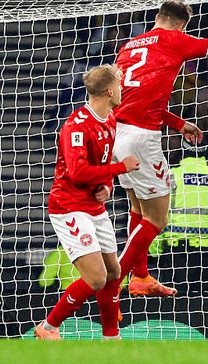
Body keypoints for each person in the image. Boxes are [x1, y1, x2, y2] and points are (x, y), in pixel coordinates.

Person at [103, 0, 208, 301]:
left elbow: (137, 96)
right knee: (158, 219)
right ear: (182, 25)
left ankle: (140, 276)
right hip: (141, 138)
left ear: (157, 17)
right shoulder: (175, 40)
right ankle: (116, 282)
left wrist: (178, 124)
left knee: (138, 208)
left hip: (117, 133)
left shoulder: (129, 46)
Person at [34, 65, 140, 341]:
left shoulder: (110, 119)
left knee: (114, 271)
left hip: (94, 206)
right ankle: (48, 327)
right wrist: (120, 170)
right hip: (69, 206)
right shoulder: (76, 126)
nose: (121, 89)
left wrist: (106, 185)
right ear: (108, 90)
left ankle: (110, 337)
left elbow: (100, 165)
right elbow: (78, 172)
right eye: (119, 84)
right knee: (96, 278)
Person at [149, 143, 208, 294]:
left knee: (174, 310)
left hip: (177, 255)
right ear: (204, 153)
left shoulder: (171, 177)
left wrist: (156, 250)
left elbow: (156, 216)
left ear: (182, 151)